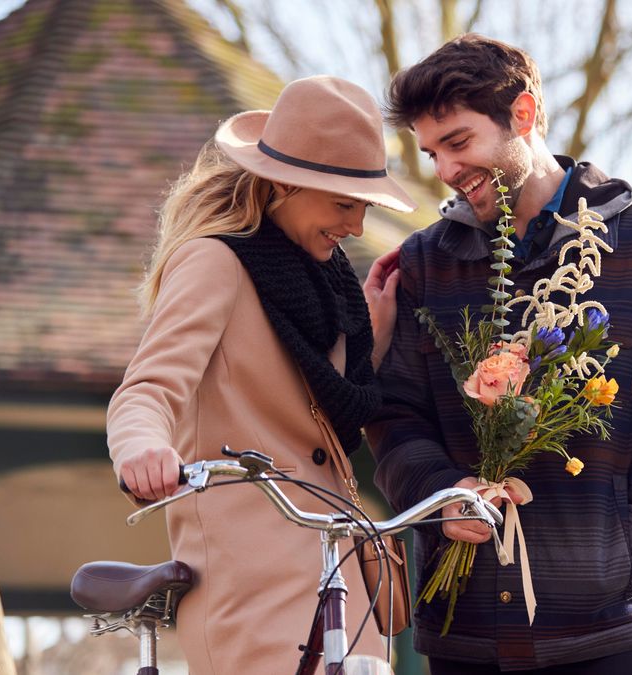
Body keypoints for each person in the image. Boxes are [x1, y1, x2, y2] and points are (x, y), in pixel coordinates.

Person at [368, 34, 632, 674]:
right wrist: (441, 493)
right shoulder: (422, 264)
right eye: (432, 152)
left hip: (608, 633)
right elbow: (394, 417)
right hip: (463, 632)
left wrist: (624, 553)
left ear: (524, 114)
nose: (445, 170)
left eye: (458, 142)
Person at [107, 75, 412, 674]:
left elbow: (317, 409)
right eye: (343, 203)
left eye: (363, 206)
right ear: (285, 184)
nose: (356, 226)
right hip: (252, 579)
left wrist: (370, 334)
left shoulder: (327, 287)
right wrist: (141, 446)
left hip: (339, 572)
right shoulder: (213, 261)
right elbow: (148, 388)